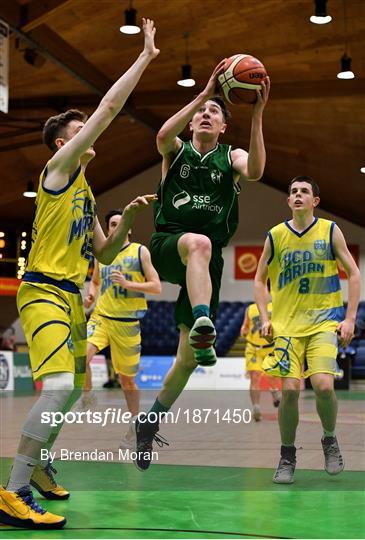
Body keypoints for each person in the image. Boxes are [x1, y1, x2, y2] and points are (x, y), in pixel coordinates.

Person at [0, 19, 159, 529]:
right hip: (43, 290)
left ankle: (41, 464)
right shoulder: (59, 172)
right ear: (63, 144)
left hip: (73, 297)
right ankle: (14, 489)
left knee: (66, 391)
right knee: (57, 386)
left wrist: (129, 217)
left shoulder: (86, 194)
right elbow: (110, 108)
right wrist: (145, 58)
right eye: (79, 127)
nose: (88, 128)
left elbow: (107, 255)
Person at [133, 62, 270, 471]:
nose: (205, 114)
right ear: (192, 122)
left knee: (187, 361)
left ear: (225, 126)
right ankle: (203, 321)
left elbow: (259, 171)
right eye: (200, 112)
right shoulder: (176, 151)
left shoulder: (233, 156)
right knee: (199, 242)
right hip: (165, 244)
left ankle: (148, 422)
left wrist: (258, 113)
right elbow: (161, 135)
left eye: (213, 111)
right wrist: (205, 90)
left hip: (204, 261)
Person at [254, 175, 360, 484]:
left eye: (304, 192)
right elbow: (260, 279)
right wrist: (265, 316)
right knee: (289, 391)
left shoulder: (329, 230)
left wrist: (350, 318)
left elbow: (353, 273)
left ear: (314, 201)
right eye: (293, 192)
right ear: (288, 201)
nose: (298, 195)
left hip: (324, 321)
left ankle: (329, 439)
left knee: (324, 386)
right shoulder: (275, 236)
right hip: (287, 327)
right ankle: (287, 454)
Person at [81, 209, 161, 449]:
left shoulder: (140, 251)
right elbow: (95, 281)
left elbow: (157, 286)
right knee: (80, 355)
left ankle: (135, 425)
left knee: (127, 381)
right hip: (102, 317)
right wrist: (91, 294)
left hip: (127, 323)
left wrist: (128, 283)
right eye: (111, 224)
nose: (115, 227)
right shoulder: (102, 254)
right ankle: (87, 394)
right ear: (107, 230)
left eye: (119, 223)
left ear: (128, 228)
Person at [241, 293, 280, 421]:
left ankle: (274, 392)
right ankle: (256, 407)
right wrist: (244, 329)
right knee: (255, 376)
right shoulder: (250, 309)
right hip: (254, 348)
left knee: (272, 377)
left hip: (270, 347)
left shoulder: (275, 307)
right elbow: (245, 325)